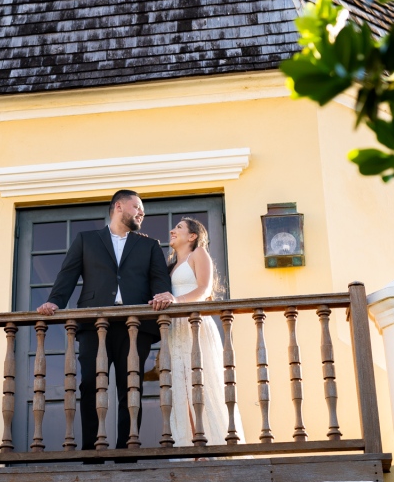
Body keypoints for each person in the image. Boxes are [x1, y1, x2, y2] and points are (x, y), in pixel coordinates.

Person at [37, 189, 172, 450]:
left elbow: (159, 281)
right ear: (119, 206)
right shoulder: (86, 240)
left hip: (135, 327)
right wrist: (55, 301)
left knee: (131, 387)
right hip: (94, 325)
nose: (142, 212)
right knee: (90, 385)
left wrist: (164, 295)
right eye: (137, 207)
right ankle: (90, 450)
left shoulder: (150, 245)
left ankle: (128, 451)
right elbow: (68, 275)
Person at [150, 217, 245, 447]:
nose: (172, 230)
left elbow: (203, 289)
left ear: (192, 236)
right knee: (181, 388)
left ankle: (210, 446)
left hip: (195, 325)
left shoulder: (198, 254)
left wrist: (175, 300)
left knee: (200, 383)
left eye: (179, 228)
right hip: (176, 330)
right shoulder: (171, 266)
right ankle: (190, 448)